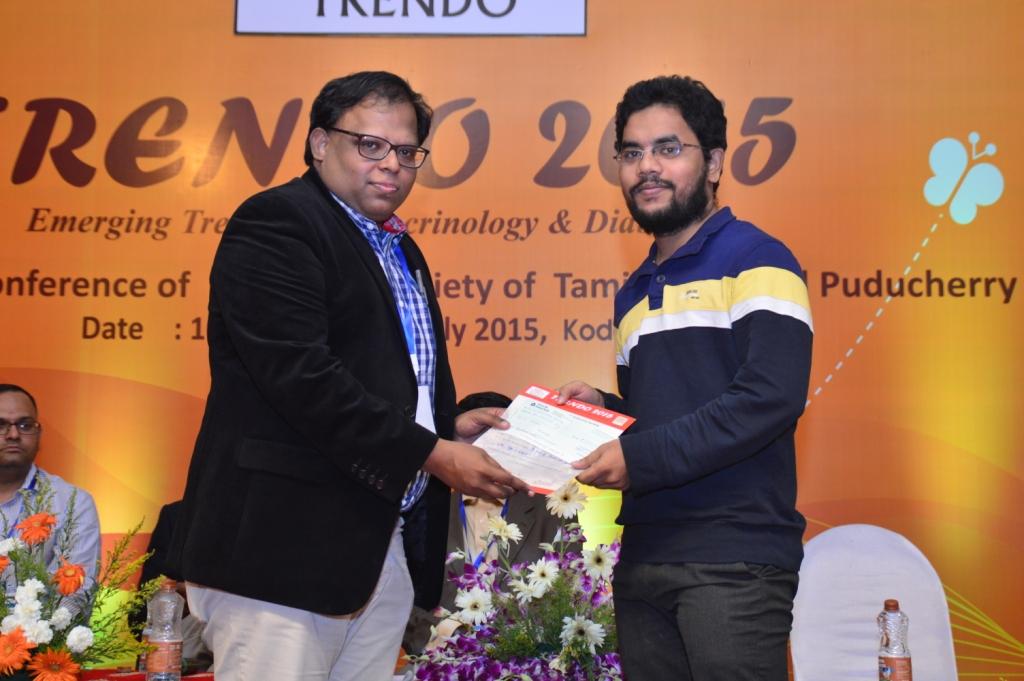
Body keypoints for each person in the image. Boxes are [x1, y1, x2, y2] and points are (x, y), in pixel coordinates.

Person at [166, 72, 527, 681]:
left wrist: (446, 427)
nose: (392, 165)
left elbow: (383, 379)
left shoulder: (399, 248)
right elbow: (303, 378)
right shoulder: (279, 222)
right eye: (370, 145)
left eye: (407, 152)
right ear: (319, 143)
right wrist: (432, 453)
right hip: (279, 554)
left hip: (375, 548)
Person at [556, 75, 813, 681]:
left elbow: (768, 398)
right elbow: (662, 414)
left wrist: (638, 458)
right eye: (632, 152)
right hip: (643, 558)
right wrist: (602, 409)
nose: (647, 167)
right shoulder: (632, 293)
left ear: (715, 163)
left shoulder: (759, 260)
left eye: (668, 149)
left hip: (733, 560)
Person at [402, 392, 573, 655]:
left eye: (500, 441)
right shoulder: (422, 504)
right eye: (479, 440)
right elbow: (398, 596)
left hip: (525, 660)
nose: (488, 454)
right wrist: (447, 635)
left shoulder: (553, 508)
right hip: (440, 661)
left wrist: (513, 643)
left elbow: (570, 591)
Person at [0, 384, 101, 600]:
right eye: (1, 425)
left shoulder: (72, 503)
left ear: (38, 433)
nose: (14, 434)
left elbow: (76, 595)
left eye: (25, 425)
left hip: (35, 621)